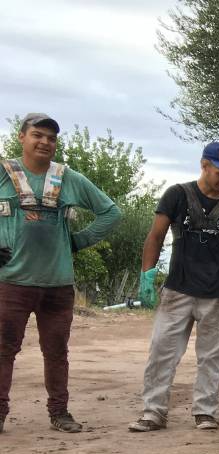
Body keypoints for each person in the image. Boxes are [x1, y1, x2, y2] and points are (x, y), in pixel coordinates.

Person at [0, 112, 122, 434]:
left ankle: (60, 413)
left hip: (58, 284)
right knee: (3, 350)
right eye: (37, 135)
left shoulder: (67, 177)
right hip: (10, 281)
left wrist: (78, 242)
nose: (45, 142)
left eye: (51, 138)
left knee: (56, 351)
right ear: (21, 137)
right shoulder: (4, 173)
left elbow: (111, 212)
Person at [129, 142, 219, 432]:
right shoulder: (177, 195)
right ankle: (153, 412)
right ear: (204, 165)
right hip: (178, 289)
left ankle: (205, 412)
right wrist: (147, 276)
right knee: (162, 351)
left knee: (212, 356)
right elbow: (156, 235)